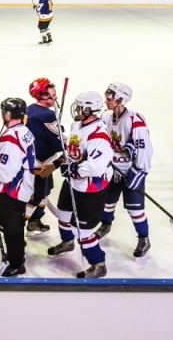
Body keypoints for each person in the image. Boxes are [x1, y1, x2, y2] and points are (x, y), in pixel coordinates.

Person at [48, 91, 112, 278]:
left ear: (89, 109)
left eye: (79, 106)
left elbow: (96, 166)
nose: (75, 109)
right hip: (73, 182)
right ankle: (68, 242)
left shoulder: (98, 134)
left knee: (82, 229)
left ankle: (98, 264)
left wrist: (75, 170)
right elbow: (72, 150)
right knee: (63, 213)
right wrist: (64, 163)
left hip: (90, 187)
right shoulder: (77, 124)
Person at [0, 98, 35, 278]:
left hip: (13, 190)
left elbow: (6, 173)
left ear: (9, 114)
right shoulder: (23, 131)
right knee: (12, 225)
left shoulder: (11, 137)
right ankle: (16, 252)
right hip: (22, 187)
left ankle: (17, 264)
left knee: (12, 228)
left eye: (4, 111)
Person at [97, 83, 153, 257]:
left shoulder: (135, 120)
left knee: (135, 210)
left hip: (130, 172)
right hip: (112, 170)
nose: (105, 101)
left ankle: (144, 238)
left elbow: (145, 148)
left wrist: (140, 171)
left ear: (120, 100)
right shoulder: (106, 116)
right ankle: (105, 225)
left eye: (109, 98)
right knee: (106, 203)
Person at [24, 78, 63, 237]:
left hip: (34, 159)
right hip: (41, 164)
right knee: (35, 197)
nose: (56, 98)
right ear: (43, 96)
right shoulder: (47, 115)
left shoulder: (30, 109)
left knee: (45, 191)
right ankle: (17, 228)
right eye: (53, 95)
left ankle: (35, 221)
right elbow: (58, 143)